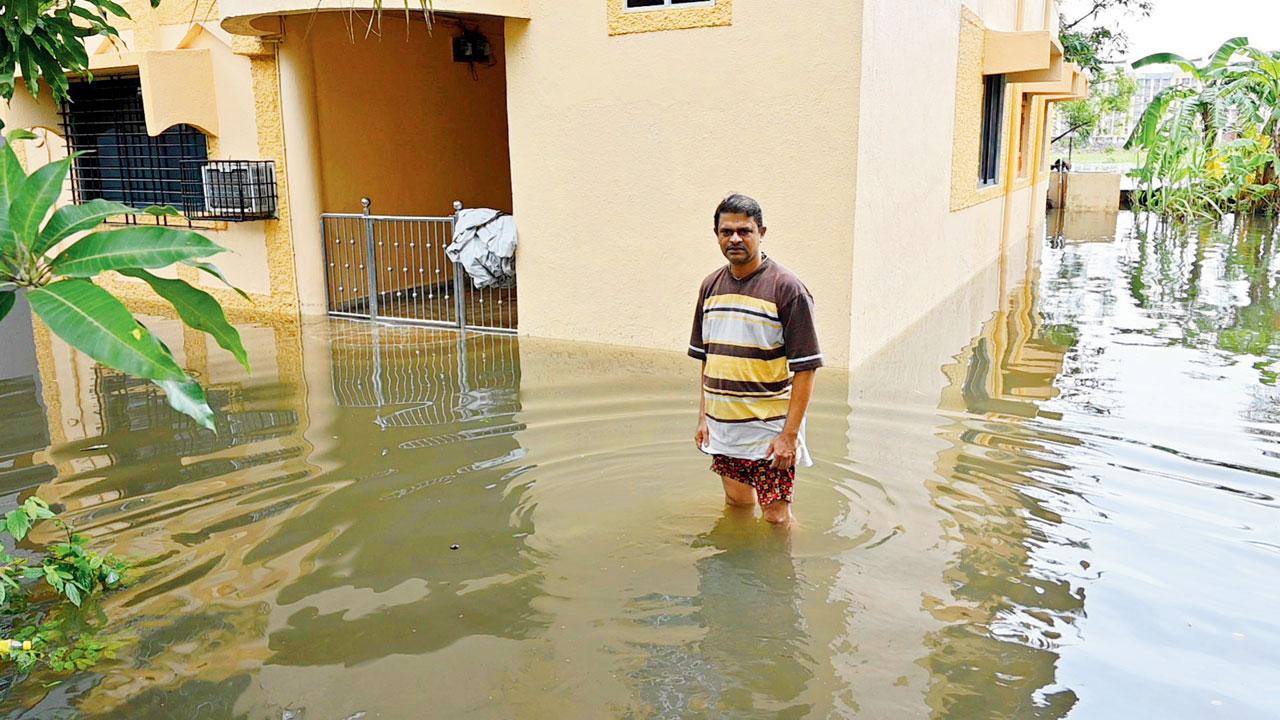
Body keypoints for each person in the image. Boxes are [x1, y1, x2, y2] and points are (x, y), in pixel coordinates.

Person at [689, 194, 822, 526]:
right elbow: (708, 359)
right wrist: (704, 417)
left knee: (777, 517)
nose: (735, 238)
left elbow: (806, 368)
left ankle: (781, 576)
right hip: (725, 429)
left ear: (761, 232)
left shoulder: (787, 289)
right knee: (736, 504)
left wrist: (789, 436)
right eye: (726, 231)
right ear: (717, 234)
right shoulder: (710, 287)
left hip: (769, 432)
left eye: (744, 231)